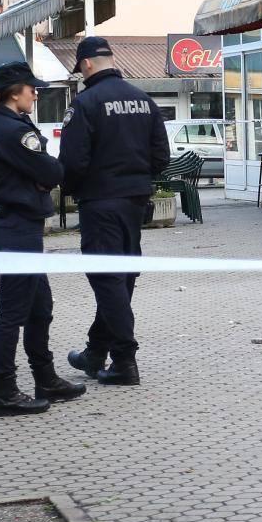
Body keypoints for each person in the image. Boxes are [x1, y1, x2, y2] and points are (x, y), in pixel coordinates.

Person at [0, 61, 86, 417]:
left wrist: (39, 178)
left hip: (18, 227)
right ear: (14, 92)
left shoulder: (4, 125)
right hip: (17, 230)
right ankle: (5, 392)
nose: (35, 93)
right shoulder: (12, 130)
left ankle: (45, 377)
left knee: (40, 308)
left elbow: (43, 174)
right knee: (12, 313)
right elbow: (52, 171)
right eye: (30, 88)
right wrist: (42, 177)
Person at [60, 36, 169, 386]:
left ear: (87, 64)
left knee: (108, 280)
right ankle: (95, 352)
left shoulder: (85, 103)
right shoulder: (143, 100)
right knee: (121, 279)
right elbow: (161, 157)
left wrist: (77, 190)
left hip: (100, 204)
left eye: (79, 69)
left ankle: (124, 360)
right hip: (135, 203)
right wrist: (137, 181)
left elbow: (72, 162)